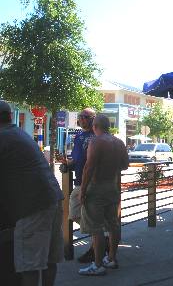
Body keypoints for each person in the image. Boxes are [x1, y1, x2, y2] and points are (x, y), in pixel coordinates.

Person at [0, 100, 63, 286]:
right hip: (53, 198)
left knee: (29, 264)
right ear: (10, 116)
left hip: (33, 206)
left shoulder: (3, 137)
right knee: (49, 260)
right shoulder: (19, 133)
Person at [78, 115, 129, 276]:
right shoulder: (119, 142)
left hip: (97, 188)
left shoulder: (95, 141)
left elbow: (88, 167)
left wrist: (83, 190)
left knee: (96, 228)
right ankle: (112, 259)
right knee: (113, 224)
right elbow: (125, 165)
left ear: (95, 126)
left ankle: (98, 264)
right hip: (112, 187)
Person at [59, 108, 102, 263]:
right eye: (79, 117)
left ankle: (96, 248)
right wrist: (68, 164)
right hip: (79, 182)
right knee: (75, 213)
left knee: (87, 216)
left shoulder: (98, 136)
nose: (81, 120)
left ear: (93, 118)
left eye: (84, 117)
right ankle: (99, 242)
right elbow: (76, 160)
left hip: (92, 183)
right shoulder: (78, 136)